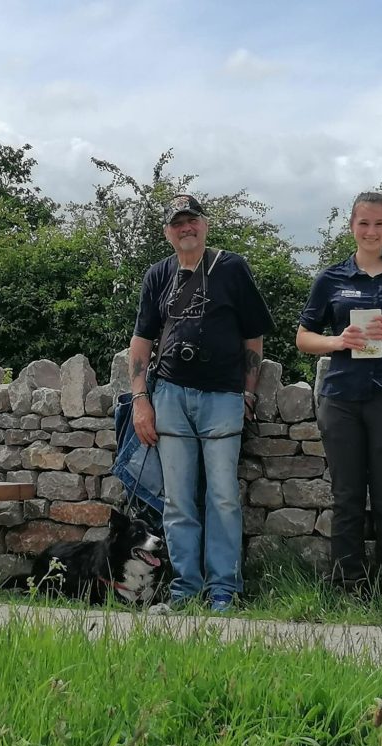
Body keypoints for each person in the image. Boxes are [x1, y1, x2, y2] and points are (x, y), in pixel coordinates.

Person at [128, 193, 274, 611]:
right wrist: (140, 399)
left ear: (205, 225)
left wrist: (248, 391)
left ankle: (224, 590)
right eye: (177, 223)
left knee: (223, 497)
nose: (186, 228)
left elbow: (253, 336)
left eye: (192, 220)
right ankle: (184, 589)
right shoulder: (158, 275)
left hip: (223, 395)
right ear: (167, 233)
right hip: (170, 395)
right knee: (177, 501)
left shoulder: (232, 268)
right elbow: (141, 340)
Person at [295, 192, 382, 603]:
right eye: (364, 223)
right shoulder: (330, 278)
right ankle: (348, 592)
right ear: (352, 226)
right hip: (341, 397)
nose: (371, 231)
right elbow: (303, 338)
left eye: (379, 224)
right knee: (347, 498)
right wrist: (338, 341)